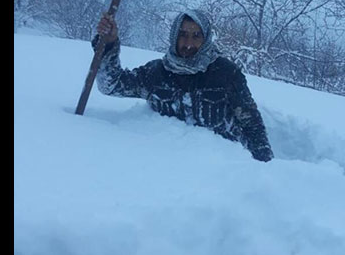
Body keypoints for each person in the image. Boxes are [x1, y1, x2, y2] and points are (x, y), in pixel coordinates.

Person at [92, 9, 274, 162]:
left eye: (196, 36)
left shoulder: (226, 73)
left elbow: (251, 123)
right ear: (174, 36)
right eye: (183, 35)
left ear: (206, 39)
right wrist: (108, 45)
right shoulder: (156, 73)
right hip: (169, 172)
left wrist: (265, 164)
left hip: (222, 173)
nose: (188, 44)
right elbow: (111, 85)